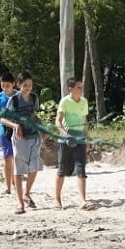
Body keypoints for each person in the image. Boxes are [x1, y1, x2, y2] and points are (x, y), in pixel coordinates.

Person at [54, 77, 95, 211]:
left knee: (81, 170)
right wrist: (66, 135)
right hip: (66, 139)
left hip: (80, 138)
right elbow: (58, 121)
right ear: (70, 89)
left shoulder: (84, 101)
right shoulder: (64, 101)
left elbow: (84, 121)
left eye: (82, 87)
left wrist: (88, 139)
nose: (81, 90)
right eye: (79, 87)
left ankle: (82, 201)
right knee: (62, 170)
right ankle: (57, 199)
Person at [5, 71, 42, 214]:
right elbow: (3, 119)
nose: (28, 88)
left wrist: (43, 129)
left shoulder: (34, 98)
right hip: (20, 139)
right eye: (25, 85)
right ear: (19, 85)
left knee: (34, 168)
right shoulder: (13, 100)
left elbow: (35, 115)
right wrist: (16, 126)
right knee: (19, 170)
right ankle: (20, 203)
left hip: (34, 137)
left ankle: (27, 193)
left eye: (30, 85)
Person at [0, 73, 17, 196]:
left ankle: (15, 182)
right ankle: (8, 187)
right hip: (3, 129)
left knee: (16, 157)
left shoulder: (19, 96)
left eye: (7, 85)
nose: (5, 88)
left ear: (13, 84)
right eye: (3, 86)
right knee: (8, 157)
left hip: (17, 129)